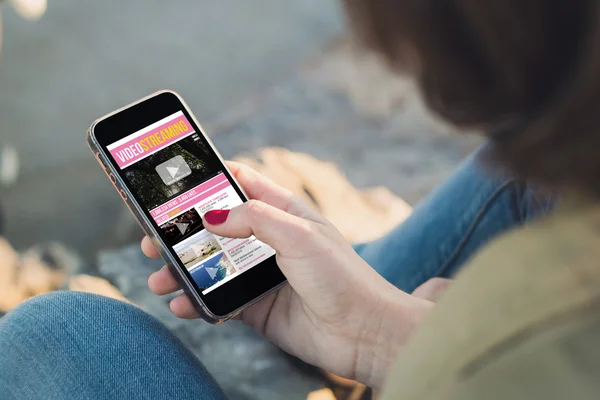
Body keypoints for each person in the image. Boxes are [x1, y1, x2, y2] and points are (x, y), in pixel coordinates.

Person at [1, 1, 599, 399]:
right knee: (521, 168)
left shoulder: (514, 361)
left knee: (55, 331)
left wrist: (438, 353)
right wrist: (383, 335)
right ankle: (356, 283)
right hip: (405, 339)